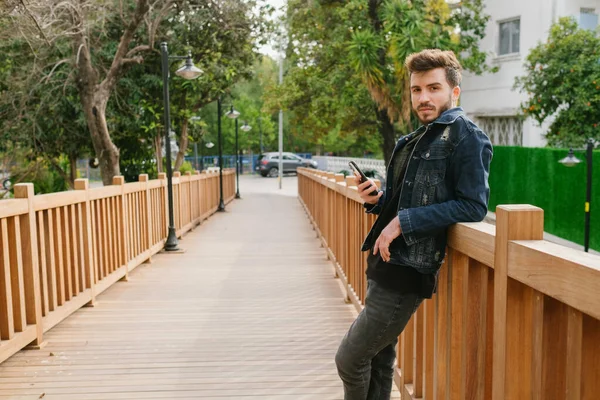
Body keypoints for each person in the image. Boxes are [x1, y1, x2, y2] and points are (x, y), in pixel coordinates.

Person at [335, 49, 493, 399]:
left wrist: (404, 223)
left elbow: (473, 205)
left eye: (433, 88)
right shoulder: (419, 137)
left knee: (349, 359)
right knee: (377, 358)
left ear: (454, 91)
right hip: (384, 265)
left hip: (407, 272)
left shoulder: (467, 137)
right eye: (416, 90)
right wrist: (379, 199)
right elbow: (413, 197)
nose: (423, 98)